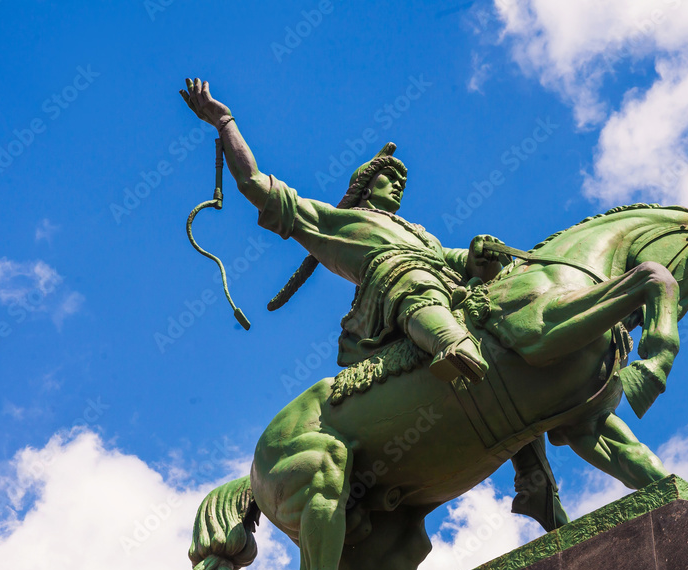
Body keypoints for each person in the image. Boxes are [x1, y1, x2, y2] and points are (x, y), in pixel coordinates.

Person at [181, 78, 506, 382]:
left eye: (401, 183)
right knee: (412, 276)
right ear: (365, 184)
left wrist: (480, 251)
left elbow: (453, 259)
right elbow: (253, 183)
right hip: (392, 289)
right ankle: (452, 345)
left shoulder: (423, 234)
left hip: (445, 284)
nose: (397, 187)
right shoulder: (336, 222)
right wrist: (224, 121)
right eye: (389, 178)